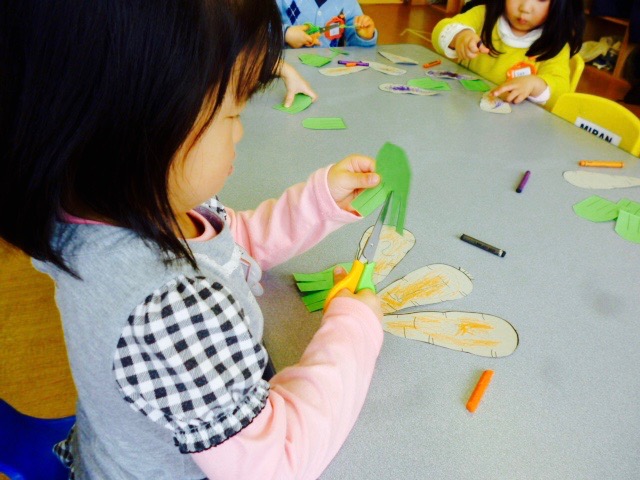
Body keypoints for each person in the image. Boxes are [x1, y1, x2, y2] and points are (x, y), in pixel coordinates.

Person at [0, 1, 384, 479]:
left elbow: (225, 249)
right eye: (232, 114)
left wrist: (318, 203)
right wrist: (354, 326)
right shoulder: (169, 307)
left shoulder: (103, 205)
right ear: (139, 131)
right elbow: (279, 461)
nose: (240, 132)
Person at [432, 0, 585, 110]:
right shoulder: (483, 15)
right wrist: (459, 36)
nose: (525, 8)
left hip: (513, 130)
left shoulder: (555, 43)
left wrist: (535, 85)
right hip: (463, 109)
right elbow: (440, 30)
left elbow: (560, 93)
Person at [278, 0, 377, 48]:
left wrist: (364, 37)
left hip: (331, 72)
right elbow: (267, 28)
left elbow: (356, 48)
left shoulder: (348, 3)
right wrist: (286, 34)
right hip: (287, 71)